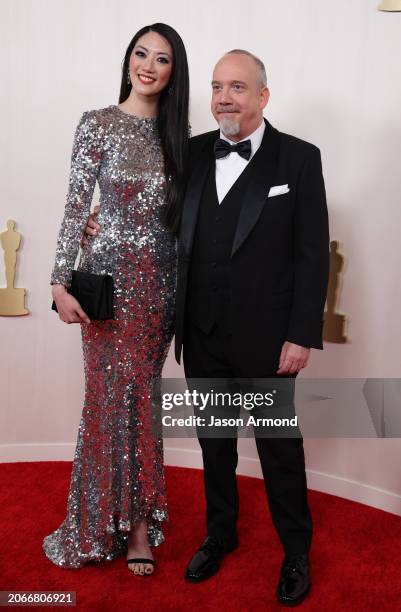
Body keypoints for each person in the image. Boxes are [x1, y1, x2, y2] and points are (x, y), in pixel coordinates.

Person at [84, 49, 329, 605]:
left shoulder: (298, 160)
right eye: (218, 86)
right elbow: (152, 217)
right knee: (215, 445)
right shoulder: (191, 153)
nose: (224, 97)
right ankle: (220, 535)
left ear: (263, 96)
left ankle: (296, 551)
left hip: (269, 339)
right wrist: (103, 225)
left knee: (277, 449)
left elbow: (313, 257)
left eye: (238, 87)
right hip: (202, 332)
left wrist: (300, 334)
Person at [43, 23, 189, 576]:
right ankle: (100, 522)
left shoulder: (183, 137)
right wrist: (60, 280)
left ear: (176, 72)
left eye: (163, 59)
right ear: (128, 59)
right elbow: (76, 206)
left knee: (142, 402)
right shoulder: (97, 124)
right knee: (106, 403)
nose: (149, 65)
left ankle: (140, 527)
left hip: (158, 291)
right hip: (106, 287)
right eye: (141, 53)